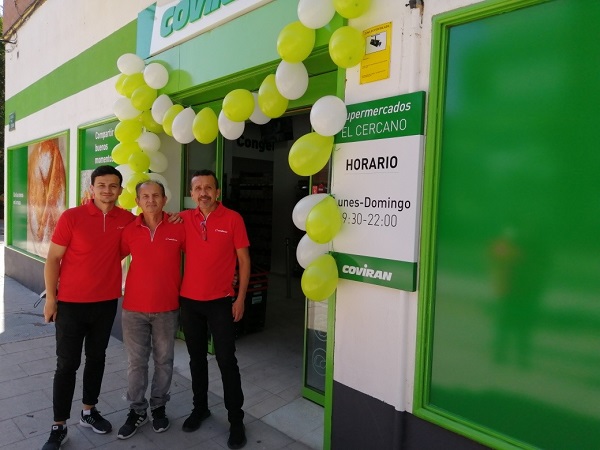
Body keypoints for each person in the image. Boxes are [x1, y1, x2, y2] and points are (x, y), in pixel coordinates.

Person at [41, 165, 135, 450]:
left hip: (105, 304)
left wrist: (175, 218)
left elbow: (151, 224)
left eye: (113, 185)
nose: (107, 190)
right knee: (67, 364)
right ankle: (58, 426)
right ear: (91, 188)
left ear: (120, 190)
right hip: (70, 305)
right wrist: (51, 299)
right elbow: (53, 259)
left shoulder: (127, 220)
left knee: (97, 358)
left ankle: (88, 411)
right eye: (101, 185)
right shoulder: (72, 217)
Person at [179, 169, 251, 449]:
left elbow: (244, 261)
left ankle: (236, 420)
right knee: (196, 360)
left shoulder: (233, 219)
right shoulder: (183, 219)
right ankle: (200, 408)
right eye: (198, 189)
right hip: (190, 302)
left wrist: (240, 298)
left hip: (221, 302)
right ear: (191, 193)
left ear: (217, 192)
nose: (203, 193)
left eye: (208, 188)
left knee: (226, 361)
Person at [117, 180, 185, 439]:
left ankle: (158, 407)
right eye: (145, 196)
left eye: (156, 195)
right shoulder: (129, 230)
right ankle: (137, 410)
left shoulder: (179, 227)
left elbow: (201, 253)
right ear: (137, 201)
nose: (151, 200)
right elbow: (109, 257)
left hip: (167, 308)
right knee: (136, 363)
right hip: (133, 309)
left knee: (164, 361)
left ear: (165, 199)